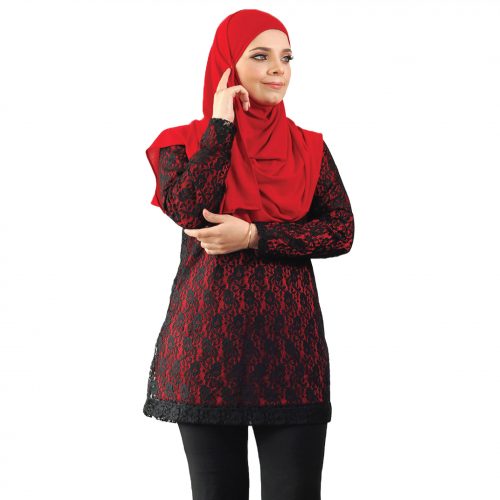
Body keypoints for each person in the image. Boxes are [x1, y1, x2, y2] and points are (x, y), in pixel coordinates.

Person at [143, 9, 355, 500]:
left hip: (291, 353)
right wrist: (221, 124)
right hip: (207, 351)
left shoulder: (309, 149)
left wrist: (256, 235)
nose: (278, 68)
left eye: (286, 57)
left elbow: (341, 231)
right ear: (227, 66)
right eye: (260, 56)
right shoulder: (181, 145)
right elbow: (188, 211)